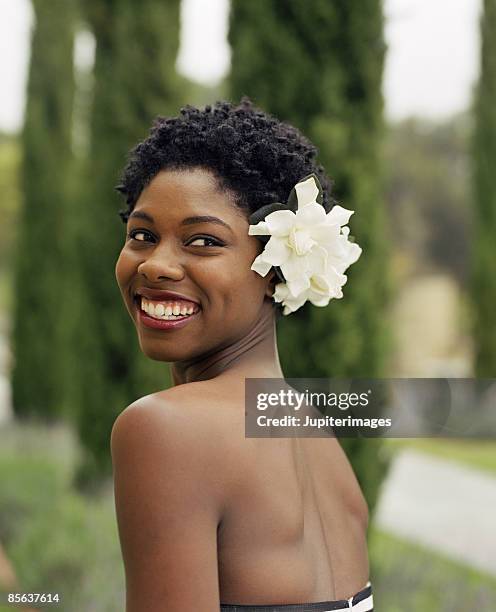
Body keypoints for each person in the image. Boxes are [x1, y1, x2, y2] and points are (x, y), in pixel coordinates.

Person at [112, 98, 374, 612]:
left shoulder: (165, 429)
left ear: (276, 268)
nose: (156, 265)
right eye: (142, 235)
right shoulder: (318, 437)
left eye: (203, 241)